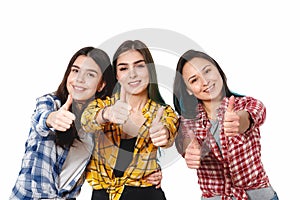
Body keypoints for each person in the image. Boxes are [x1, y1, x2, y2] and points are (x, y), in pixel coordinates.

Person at [9, 46, 116, 199]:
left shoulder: (98, 123)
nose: (79, 79)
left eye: (90, 74)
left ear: (101, 85)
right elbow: (40, 118)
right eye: (75, 70)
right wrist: (51, 119)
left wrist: (149, 172)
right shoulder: (50, 103)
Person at [173, 50, 278, 200]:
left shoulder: (247, 103)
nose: (205, 82)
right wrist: (188, 150)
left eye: (207, 71)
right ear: (189, 90)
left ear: (218, 71)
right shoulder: (187, 121)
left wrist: (239, 121)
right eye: (194, 80)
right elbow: (183, 141)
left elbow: (253, 114)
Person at [81, 40, 179, 200]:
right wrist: (106, 114)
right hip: (103, 195)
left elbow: (170, 128)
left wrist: (164, 134)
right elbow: (86, 120)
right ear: (117, 75)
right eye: (124, 68)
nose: (132, 74)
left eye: (139, 66)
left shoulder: (163, 112)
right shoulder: (103, 105)